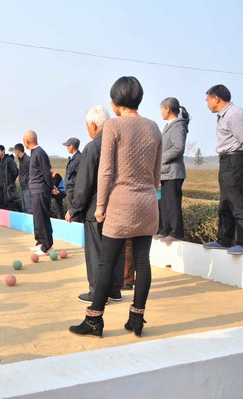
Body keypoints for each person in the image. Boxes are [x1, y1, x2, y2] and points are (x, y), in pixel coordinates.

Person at [69, 76, 162, 338]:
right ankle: (137, 318)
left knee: (106, 263)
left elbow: (106, 171)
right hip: (147, 202)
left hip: (121, 202)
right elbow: (157, 174)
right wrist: (148, 192)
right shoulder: (154, 127)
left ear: (114, 101)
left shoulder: (113, 126)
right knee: (143, 262)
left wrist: (100, 207)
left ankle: (94, 320)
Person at [65, 105, 123, 304]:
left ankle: (98, 292)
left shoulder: (93, 147)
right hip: (117, 204)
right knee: (115, 248)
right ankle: (115, 290)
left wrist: (74, 208)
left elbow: (85, 182)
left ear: (93, 125)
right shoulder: (118, 141)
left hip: (96, 208)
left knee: (96, 251)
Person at [203, 85, 243, 255]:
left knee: (238, 202)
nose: (206, 104)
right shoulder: (223, 116)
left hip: (236, 160)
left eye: (207, 100)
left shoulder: (234, 115)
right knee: (225, 203)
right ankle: (224, 240)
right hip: (227, 160)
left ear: (216, 99)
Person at [154, 97, 189, 242]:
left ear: (167, 109)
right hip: (166, 172)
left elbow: (178, 148)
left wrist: (161, 159)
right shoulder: (169, 125)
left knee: (173, 203)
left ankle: (176, 231)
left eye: (161, 108)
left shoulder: (178, 126)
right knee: (165, 203)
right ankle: (165, 230)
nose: (161, 112)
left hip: (173, 172)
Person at [23, 130, 57, 256]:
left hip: (41, 191)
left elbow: (46, 173)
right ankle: (42, 242)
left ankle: (47, 246)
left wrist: (51, 187)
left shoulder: (40, 153)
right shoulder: (34, 153)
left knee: (42, 218)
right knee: (38, 218)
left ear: (27, 141)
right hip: (36, 190)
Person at [0, 145, 18, 210]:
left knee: (9, 204)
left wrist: (10, 181)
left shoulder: (9, 160)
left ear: (3, 151)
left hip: (7, 187)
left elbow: (15, 172)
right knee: (0, 203)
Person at [62, 137, 82, 210]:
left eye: (68, 145)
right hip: (70, 190)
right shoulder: (75, 158)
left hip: (73, 190)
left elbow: (80, 175)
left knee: (73, 214)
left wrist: (71, 183)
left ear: (72, 146)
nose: (66, 148)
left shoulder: (78, 158)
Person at [14, 143, 32, 214]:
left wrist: (26, 180)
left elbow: (32, 173)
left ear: (18, 151)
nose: (15, 152)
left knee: (29, 208)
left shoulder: (28, 160)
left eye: (15, 151)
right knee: (24, 208)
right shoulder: (20, 160)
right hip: (23, 186)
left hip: (28, 186)